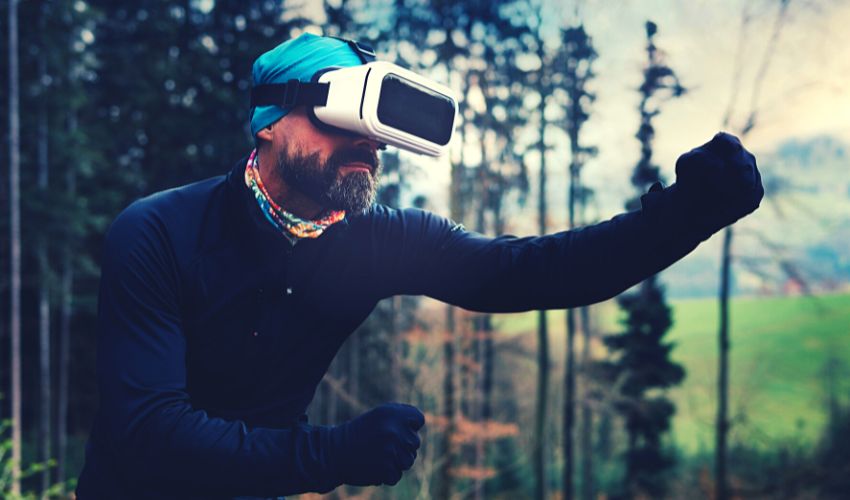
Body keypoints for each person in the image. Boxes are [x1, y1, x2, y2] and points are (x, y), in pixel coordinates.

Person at [75, 33, 763, 499]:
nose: (369, 147)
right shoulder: (159, 232)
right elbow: (151, 435)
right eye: (347, 120)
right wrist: (331, 455)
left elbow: (539, 271)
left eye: (378, 133)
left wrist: (683, 218)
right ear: (268, 121)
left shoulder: (381, 242)